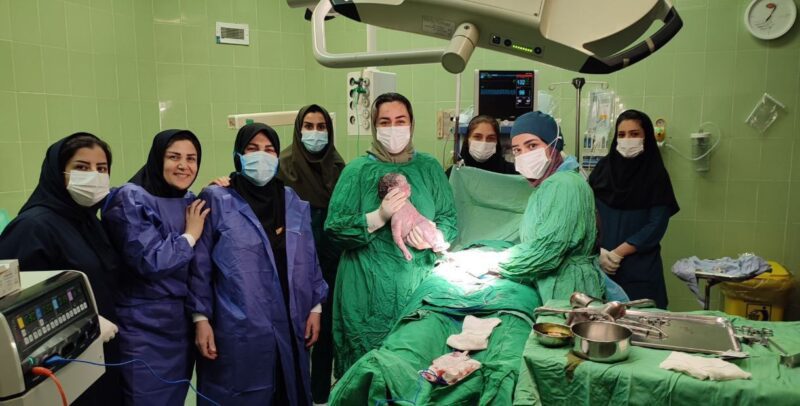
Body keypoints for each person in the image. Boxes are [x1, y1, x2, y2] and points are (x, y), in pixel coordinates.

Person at [190, 123, 328, 405]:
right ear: (238, 156)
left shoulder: (292, 201)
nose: (261, 156)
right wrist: (200, 319)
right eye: (252, 149)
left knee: (287, 390)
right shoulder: (217, 200)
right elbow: (200, 267)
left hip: (291, 318)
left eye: (269, 150)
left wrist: (315, 307)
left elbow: (309, 257)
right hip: (239, 325)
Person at [325, 92, 457, 378]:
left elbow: (449, 217)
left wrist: (436, 234)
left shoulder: (429, 168)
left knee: (415, 369)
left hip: (418, 290)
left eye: (400, 120)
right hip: (366, 295)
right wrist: (378, 217)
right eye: (385, 122)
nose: (393, 127)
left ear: (411, 123)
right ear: (374, 126)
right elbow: (335, 228)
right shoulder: (357, 171)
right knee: (367, 374)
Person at [0, 133, 123, 405]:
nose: (94, 176)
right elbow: (13, 308)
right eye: (82, 167)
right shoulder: (33, 227)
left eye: (101, 169)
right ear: (58, 172)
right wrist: (83, 321)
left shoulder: (88, 221)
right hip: (60, 367)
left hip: (99, 353)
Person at [102, 129, 208, 405]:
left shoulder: (188, 199)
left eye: (191, 159)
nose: (183, 165)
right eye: (174, 157)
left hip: (180, 326)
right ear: (158, 158)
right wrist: (190, 236)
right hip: (143, 327)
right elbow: (150, 261)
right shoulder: (130, 199)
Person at [276, 105, 344, 404]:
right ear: (298, 129)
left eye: (321, 127)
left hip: (331, 261)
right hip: (292, 264)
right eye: (309, 126)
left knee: (325, 331)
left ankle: (319, 395)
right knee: (293, 333)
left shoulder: (339, 167)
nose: (315, 133)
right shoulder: (282, 167)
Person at [498, 111, 605, 302]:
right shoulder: (547, 187)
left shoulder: (564, 185)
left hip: (569, 292)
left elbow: (548, 250)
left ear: (554, 145)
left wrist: (494, 264)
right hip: (554, 285)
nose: (524, 155)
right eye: (517, 150)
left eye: (532, 145)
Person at [588, 109, 679, 309]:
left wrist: (618, 253)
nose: (627, 140)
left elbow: (656, 225)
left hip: (639, 268)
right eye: (621, 135)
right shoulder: (603, 169)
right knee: (599, 320)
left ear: (646, 137)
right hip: (601, 264)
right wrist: (598, 251)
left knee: (642, 321)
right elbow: (586, 213)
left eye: (634, 134)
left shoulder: (655, 174)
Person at [446, 114, 516, 176]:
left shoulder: (512, 173)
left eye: (490, 138)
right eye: (477, 137)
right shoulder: (453, 175)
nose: (484, 143)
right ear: (467, 140)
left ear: (497, 142)